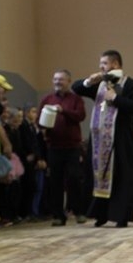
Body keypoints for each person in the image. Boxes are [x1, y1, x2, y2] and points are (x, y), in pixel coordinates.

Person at [72, 49, 133, 227]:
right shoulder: (99, 84)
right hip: (99, 141)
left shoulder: (129, 84)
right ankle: (100, 214)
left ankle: (121, 216)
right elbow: (76, 88)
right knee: (99, 176)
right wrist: (89, 81)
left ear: (115, 64)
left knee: (120, 176)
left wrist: (116, 98)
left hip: (120, 141)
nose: (101, 66)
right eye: (100, 63)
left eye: (104, 63)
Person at [38, 69, 86, 225]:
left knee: (74, 178)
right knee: (55, 181)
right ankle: (58, 215)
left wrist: (63, 111)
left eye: (61, 79)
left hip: (72, 146)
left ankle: (78, 211)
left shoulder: (76, 99)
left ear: (68, 81)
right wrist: (44, 123)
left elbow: (80, 116)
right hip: (54, 146)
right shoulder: (47, 99)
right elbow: (39, 120)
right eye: (55, 79)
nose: (57, 82)